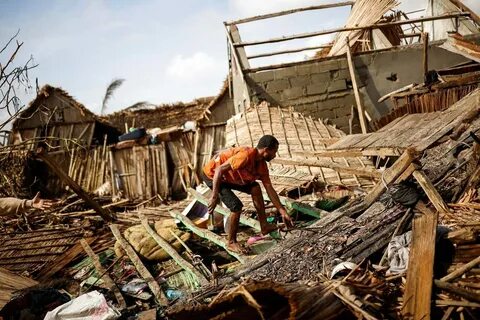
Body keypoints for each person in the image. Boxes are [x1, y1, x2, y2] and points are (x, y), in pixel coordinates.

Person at [202, 134, 293, 253]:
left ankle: (264, 226)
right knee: (236, 206)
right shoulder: (245, 155)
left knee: (255, 188)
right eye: (274, 152)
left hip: (228, 178)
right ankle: (231, 242)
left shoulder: (261, 166)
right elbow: (219, 170)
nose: (274, 156)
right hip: (213, 176)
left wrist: (283, 212)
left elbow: (270, 190)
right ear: (266, 150)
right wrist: (214, 197)